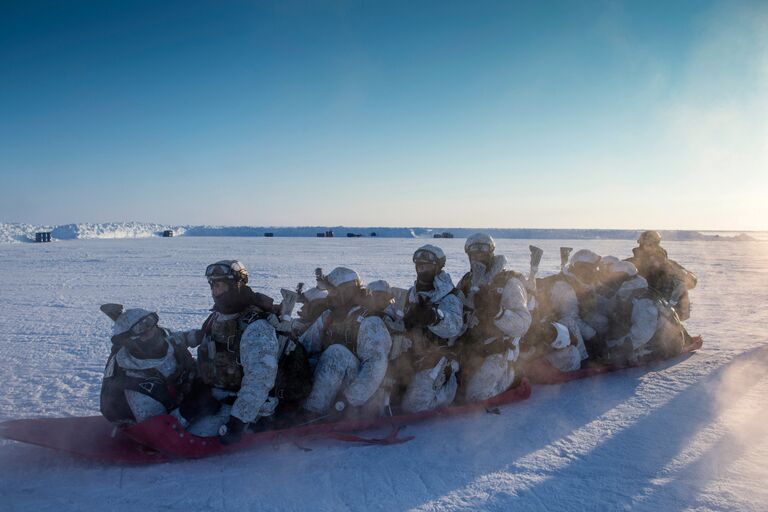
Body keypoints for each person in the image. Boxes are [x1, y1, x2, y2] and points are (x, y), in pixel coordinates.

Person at [189, 260, 282, 444]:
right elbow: (201, 338)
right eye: (213, 285)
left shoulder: (256, 326)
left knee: (194, 434)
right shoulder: (218, 316)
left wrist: (238, 421)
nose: (215, 291)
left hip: (243, 403)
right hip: (216, 391)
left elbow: (260, 379)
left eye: (220, 285)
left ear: (235, 286)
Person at [300, 267, 392, 418]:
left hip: (361, 396)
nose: (330, 296)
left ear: (347, 291)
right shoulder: (329, 315)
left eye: (333, 291)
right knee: (307, 360)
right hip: (336, 381)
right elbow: (307, 345)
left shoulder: (369, 321)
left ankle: (312, 412)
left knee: (336, 353)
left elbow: (375, 366)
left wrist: (348, 401)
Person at [455, 233, 531, 402]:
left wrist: (497, 313)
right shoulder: (466, 282)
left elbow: (523, 324)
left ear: (491, 252)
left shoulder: (508, 282)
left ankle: (512, 376)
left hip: (499, 347)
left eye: (482, 251)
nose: (477, 256)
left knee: (476, 396)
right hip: (471, 345)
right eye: (473, 253)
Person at [99, 305, 200, 427]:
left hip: (190, 390)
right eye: (140, 328)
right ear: (130, 340)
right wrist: (192, 410)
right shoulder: (136, 382)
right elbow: (158, 429)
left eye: (149, 322)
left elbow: (178, 339)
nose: (150, 329)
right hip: (171, 422)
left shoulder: (163, 339)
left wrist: (201, 335)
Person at [396, 245, 464, 413]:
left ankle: (449, 390)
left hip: (437, 357)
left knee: (414, 407)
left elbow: (454, 326)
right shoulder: (412, 293)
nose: (421, 269)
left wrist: (434, 317)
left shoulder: (449, 296)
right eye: (419, 265)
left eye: (426, 265)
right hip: (410, 355)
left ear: (437, 266)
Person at [600, 261, 686, 365]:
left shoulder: (643, 301)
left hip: (666, 345)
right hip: (653, 337)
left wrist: (619, 349)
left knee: (615, 358)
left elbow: (643, 332)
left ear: (622, 278)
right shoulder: (630, 292)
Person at [535, 249, 603, 365]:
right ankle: (584, 359)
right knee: (570, 322)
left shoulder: (579, 282)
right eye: (591, 269)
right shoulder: (564, 287)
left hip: (561, 324)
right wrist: (593, 336)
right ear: (581, 268)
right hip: (550, 330)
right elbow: (570, 318)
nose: (594, 272)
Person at [627, 230, 697, 321]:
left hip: (664, 313)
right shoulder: (630, 264)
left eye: (651, 244)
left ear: (657, 245)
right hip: (634, 311)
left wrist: (688, 277)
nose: (648, 247)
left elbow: (691, 282)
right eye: (645, 243)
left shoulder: (669, 265)